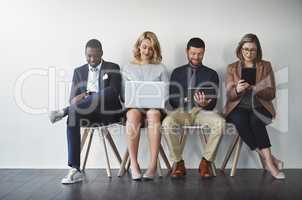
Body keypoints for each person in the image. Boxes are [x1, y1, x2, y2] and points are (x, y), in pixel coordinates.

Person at [49, 39, 122, 184]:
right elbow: (73, 100)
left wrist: (94, 96)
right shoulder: (79, 71)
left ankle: (63, 112)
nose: (92, 59)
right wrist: (84, 96)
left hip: (107, 112)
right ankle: (75, 169)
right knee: (73, 115)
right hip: (88, 113)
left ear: (102, 53)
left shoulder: (113, 67)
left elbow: (115, 93)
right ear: (85, 54)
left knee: (107, 91)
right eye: (89, 56)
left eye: (95, 56)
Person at [224, 33, 285, 179]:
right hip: (238, 108)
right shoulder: (232, 68)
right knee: (241, 122)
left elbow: (271, 93)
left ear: (257, 50)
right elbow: (229, 95)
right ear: (240, 49)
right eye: (245, 49)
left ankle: (269, 164)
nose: (248, 53)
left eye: (252, 50)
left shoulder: (266, 66)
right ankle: (271, 162)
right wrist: (237, 90)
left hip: (260, 106)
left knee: (256, 121)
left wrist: (255, 88)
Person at [162, 37, 225, 178]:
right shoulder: (177, 72)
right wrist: (185, 98)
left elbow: (213, 102)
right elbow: (172, 100)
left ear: (204, 53)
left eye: (200, 54)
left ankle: (206, 161)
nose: (196, 57)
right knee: (167, 123)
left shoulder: (212, 74)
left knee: (220, 122)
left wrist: (205, 103)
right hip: (182, 111)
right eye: (193, 53)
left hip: (202, 112)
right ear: (187, 52)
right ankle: (178, 162)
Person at [122, 31, 169, 180]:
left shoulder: (161, 68)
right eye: (144, 47)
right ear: (138, 47)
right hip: (134, 106)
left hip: (154, 107)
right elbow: (124, 93)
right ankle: (134, 166)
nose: (147, 51)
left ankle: (152, 166)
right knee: (133, 114)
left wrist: (157, 101)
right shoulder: (128, 67)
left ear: (155, 49)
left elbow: (166, 94)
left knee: (153, 114)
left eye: (151, 48)